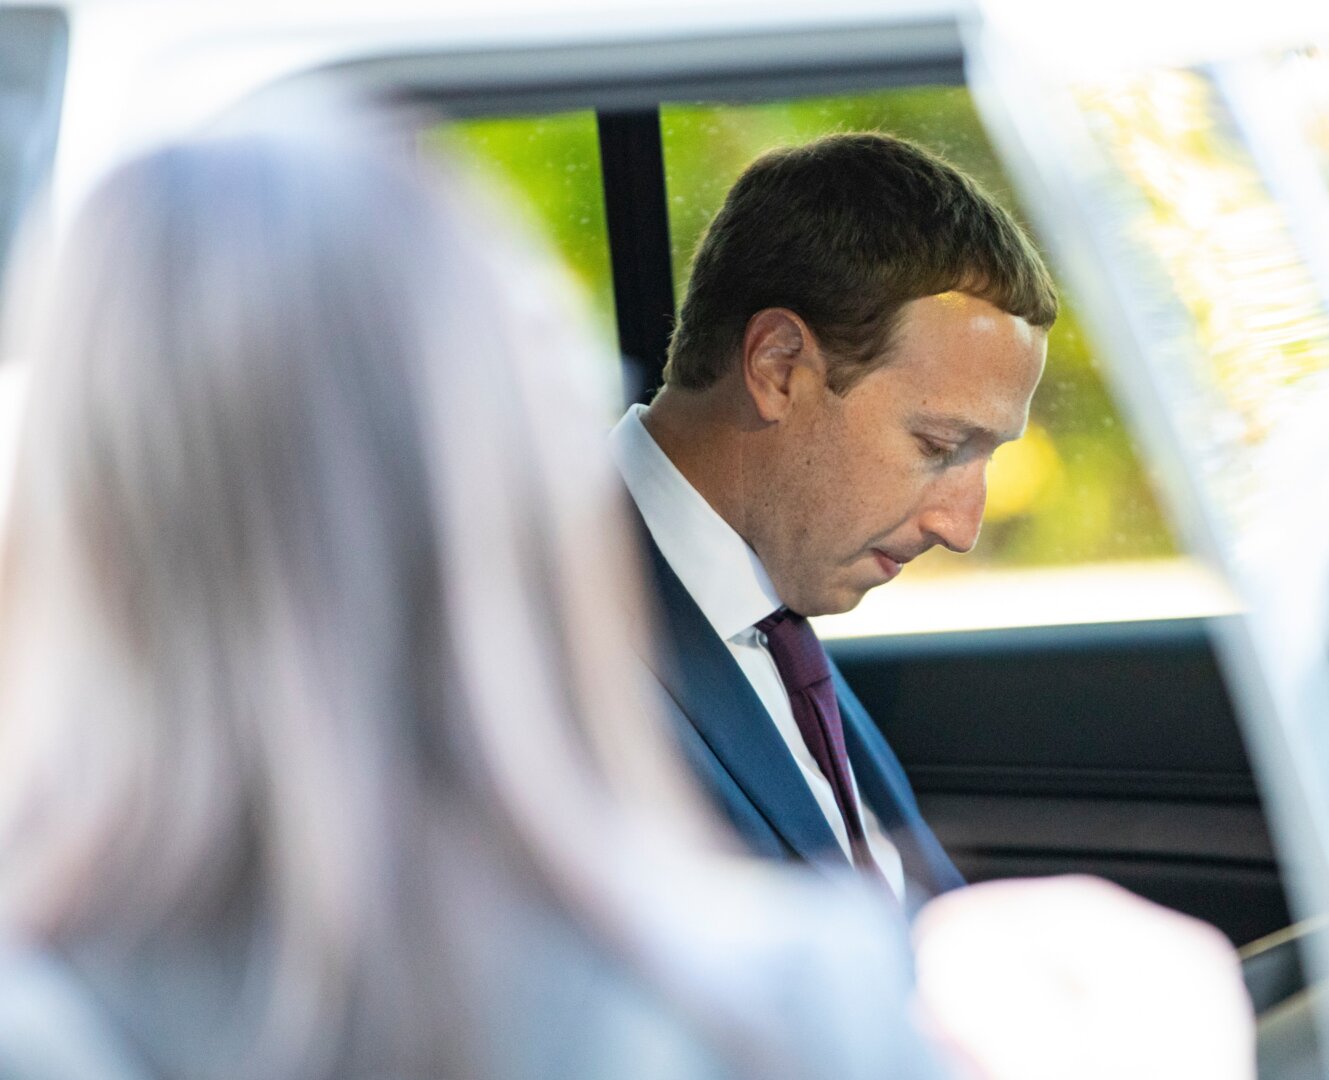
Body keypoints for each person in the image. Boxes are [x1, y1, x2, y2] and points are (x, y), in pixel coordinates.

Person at [0, 101, 956, 1080]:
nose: (961, 519)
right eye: (939, 446)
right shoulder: (794, 1001)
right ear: (500, 474)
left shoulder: (37, 1022)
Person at [618, 132, 1054, 902]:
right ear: (778, 367)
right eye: (939, 444)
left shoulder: (770, 608)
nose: (962, 526)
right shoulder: (532, 646)